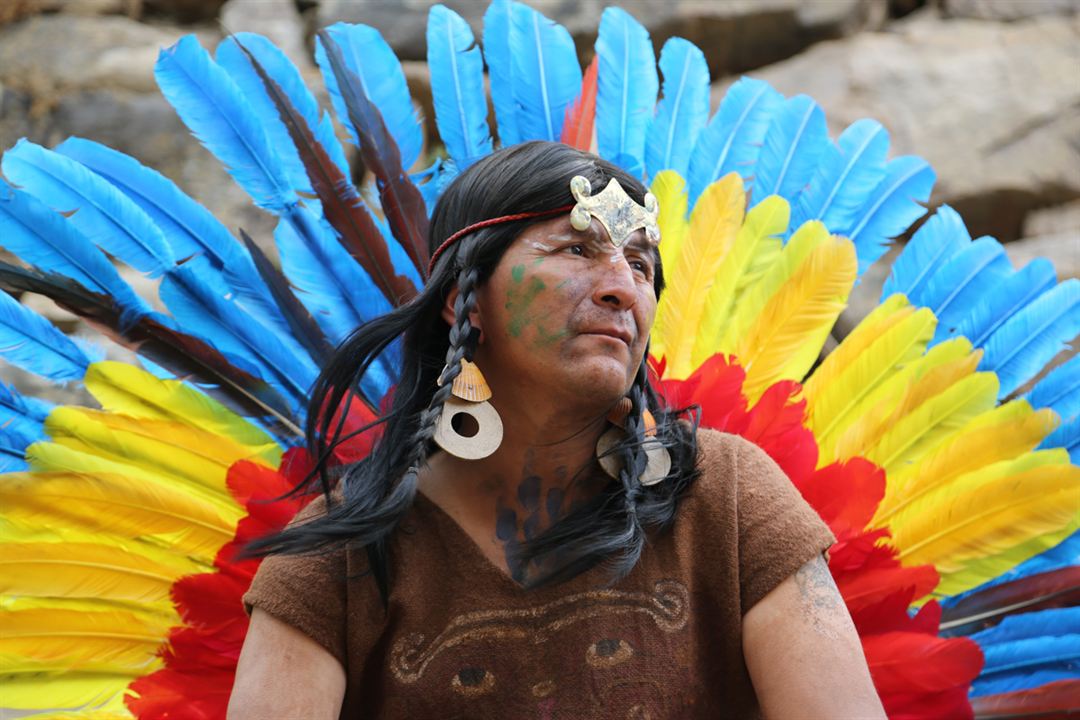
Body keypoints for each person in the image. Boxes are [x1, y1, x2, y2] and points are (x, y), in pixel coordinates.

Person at [227, 141, 886, 719]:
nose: (623, 288)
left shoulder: (728, 495)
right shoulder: (334, 556)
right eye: (576, 248)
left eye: (642, 266)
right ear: (466, 299)